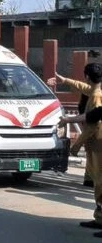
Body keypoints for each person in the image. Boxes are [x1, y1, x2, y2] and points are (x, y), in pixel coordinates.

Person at [48, 63, 102, 230]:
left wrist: (76, 145)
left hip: (97, 145)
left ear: (87, 76)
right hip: (96, 143)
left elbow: (93, 123)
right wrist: (66, 80)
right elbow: (86, 87)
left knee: (100, 182)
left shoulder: (95, 97)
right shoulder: (96, 91)